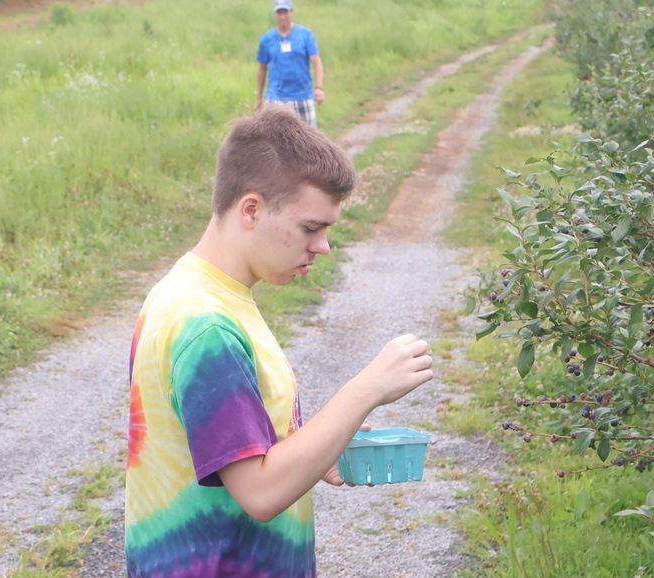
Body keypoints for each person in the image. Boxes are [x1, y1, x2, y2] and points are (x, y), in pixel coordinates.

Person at [124, 108, 434, 577]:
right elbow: (260, 491)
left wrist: (320, 448)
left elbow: (234, 447)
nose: (323, 246)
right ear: (251, 210)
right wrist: (366, 389)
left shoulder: (203, 292)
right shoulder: (206, 324)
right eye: (311, 228)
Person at [254, 0, 325, 127]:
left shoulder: (306, 34)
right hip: (276, 98)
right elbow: (262, 68)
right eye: (279, 13)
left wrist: (319, 88)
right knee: (274, 137)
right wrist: (259, 98)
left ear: (291, 12)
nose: (283, 16)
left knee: (308, 136)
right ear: (275, 14)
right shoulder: (267, 39)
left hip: (302, 95)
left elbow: (316, 61)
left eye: (285, 12)